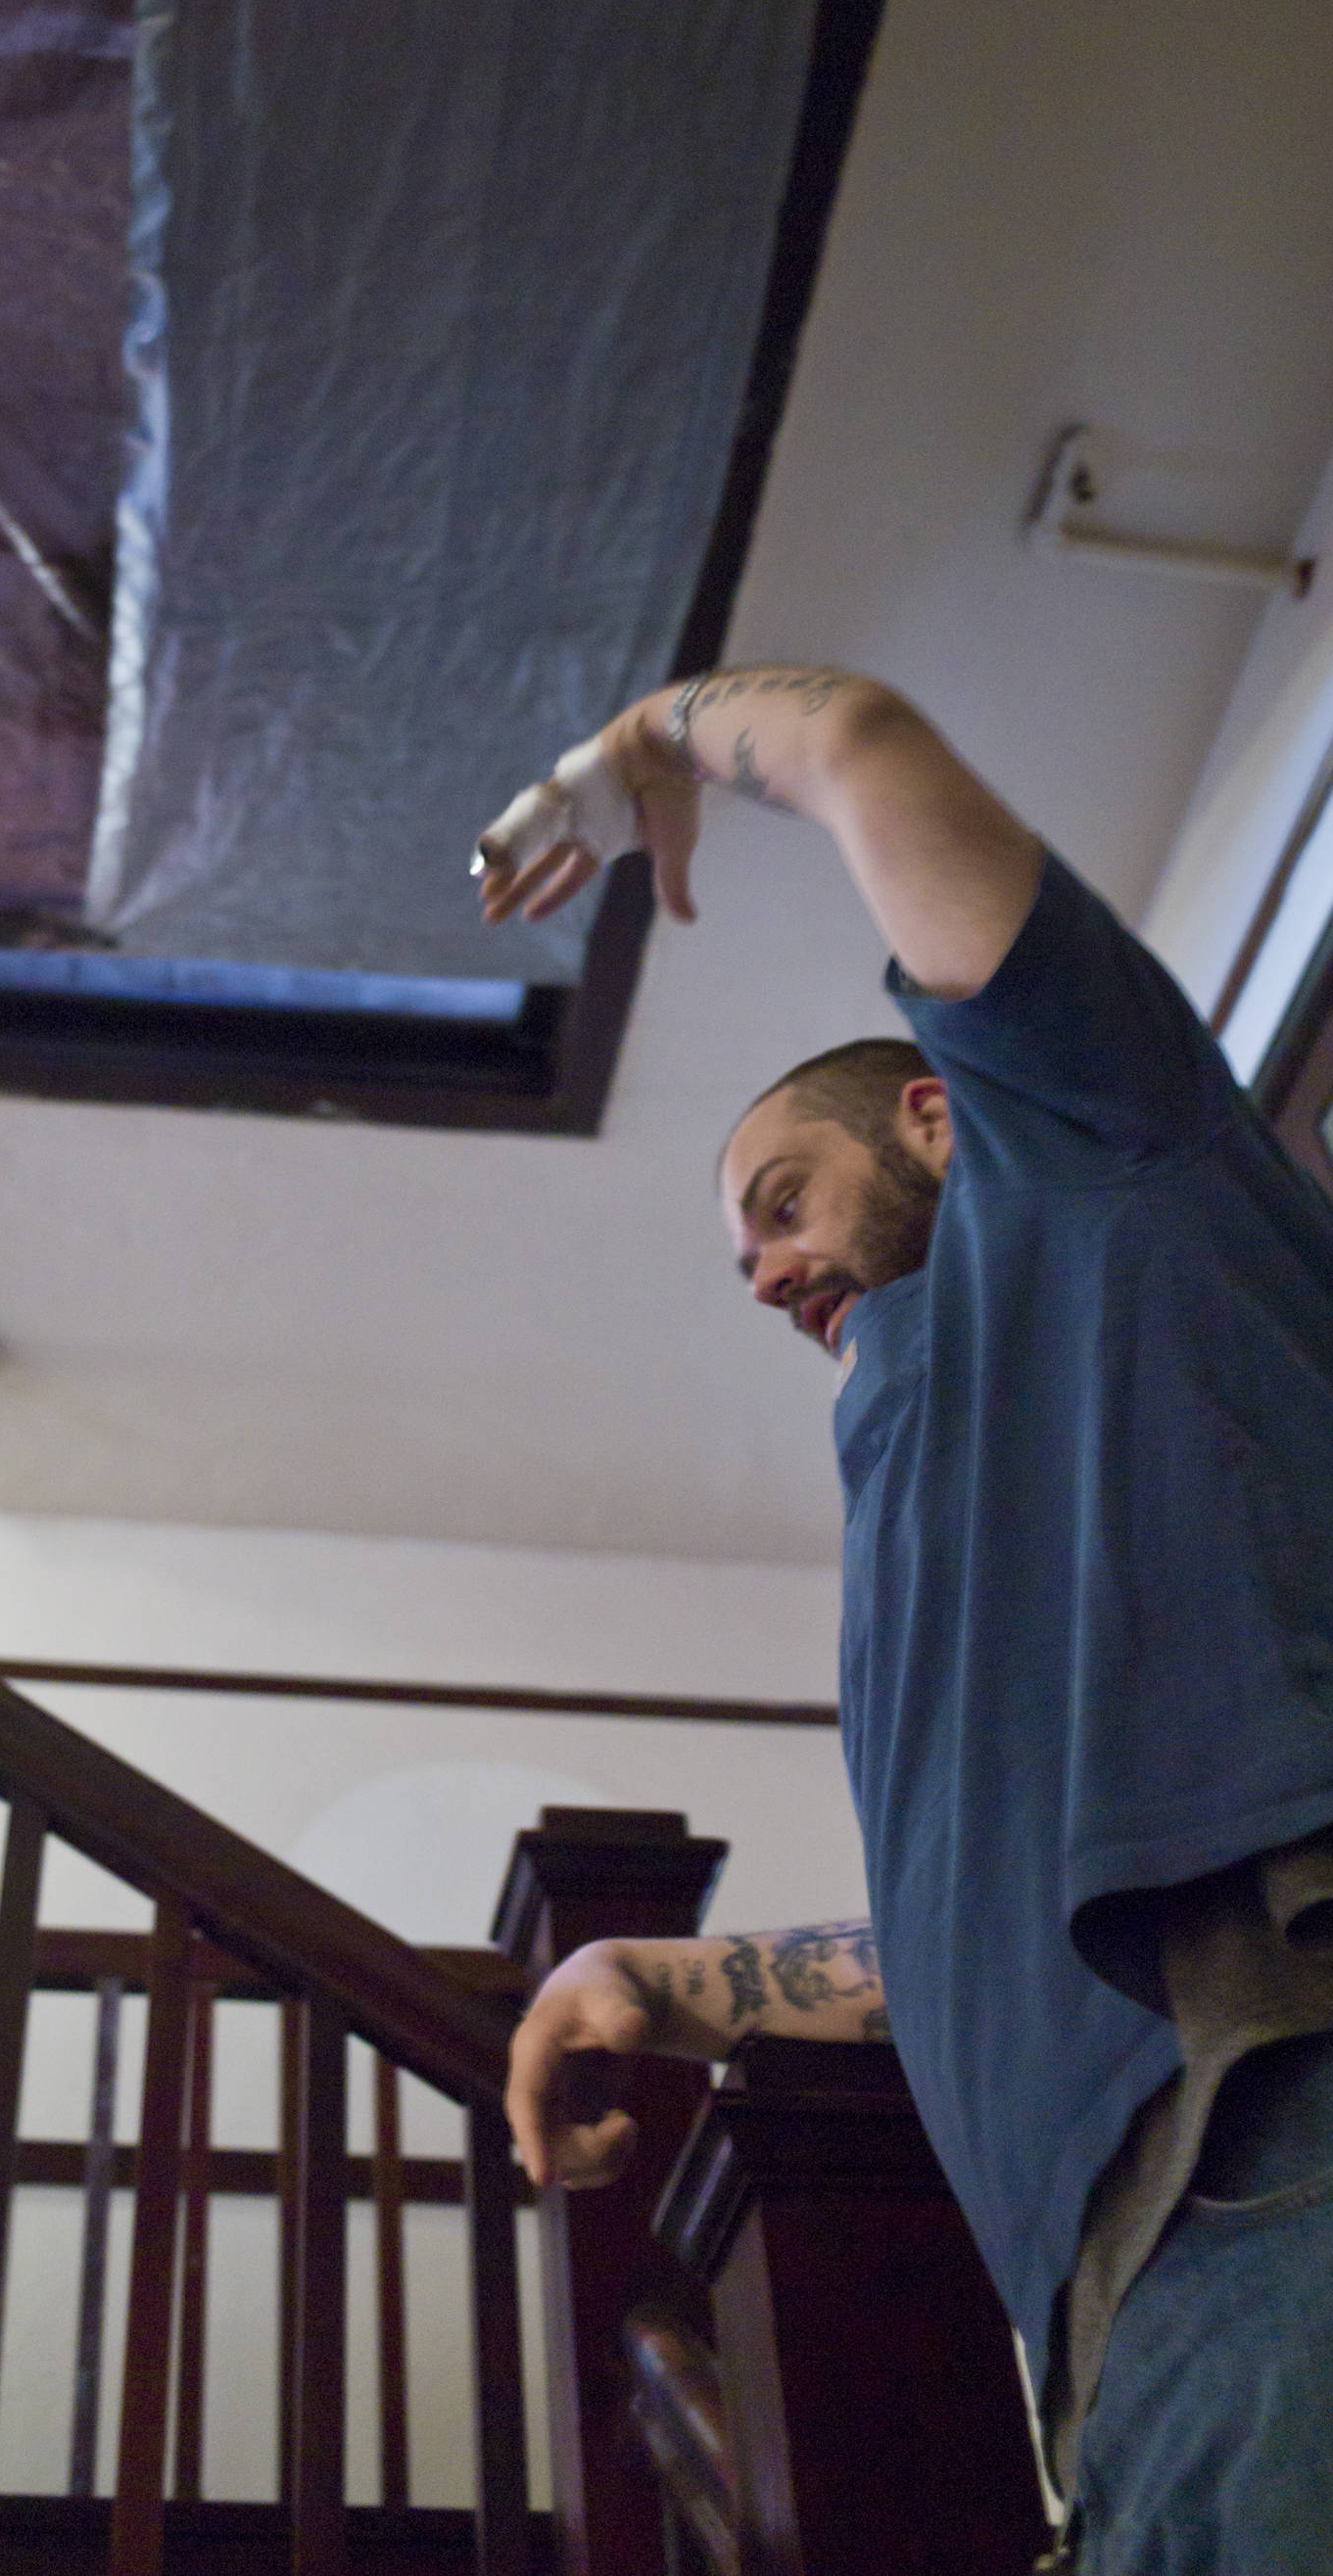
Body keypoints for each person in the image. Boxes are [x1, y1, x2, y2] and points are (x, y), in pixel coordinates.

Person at [476, 668, 1333, 2574]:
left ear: (941, 1119)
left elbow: (857, 734)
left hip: (1278, 2162)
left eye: (781, 1202)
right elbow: (1009, 1918)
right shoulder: (969, 1522)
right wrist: (675, 1976)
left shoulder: (1100, 1182)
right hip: (1133, 2347)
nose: (768, 1269)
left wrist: (644, 749)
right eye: (745, 1256)